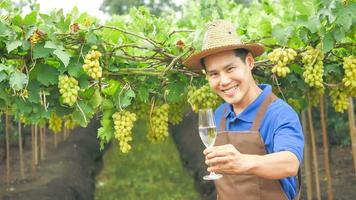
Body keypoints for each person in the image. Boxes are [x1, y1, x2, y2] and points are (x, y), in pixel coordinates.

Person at [183, 20, 304, 200]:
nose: (223, 81)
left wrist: (243, 162)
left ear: (249, 62)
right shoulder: (219, 114)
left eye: (230, 68)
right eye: (214, 74)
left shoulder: (278, 113)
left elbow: (289, 163)